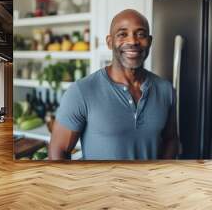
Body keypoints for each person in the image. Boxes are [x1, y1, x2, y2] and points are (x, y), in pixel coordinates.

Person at [48, 9, 178, 160]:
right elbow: (58, 151)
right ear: (109, 42)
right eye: (122, 34)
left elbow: (171, 139)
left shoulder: (165, 90)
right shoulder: (82, 91)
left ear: (149, 42)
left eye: (140, 34)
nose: (133, 41)